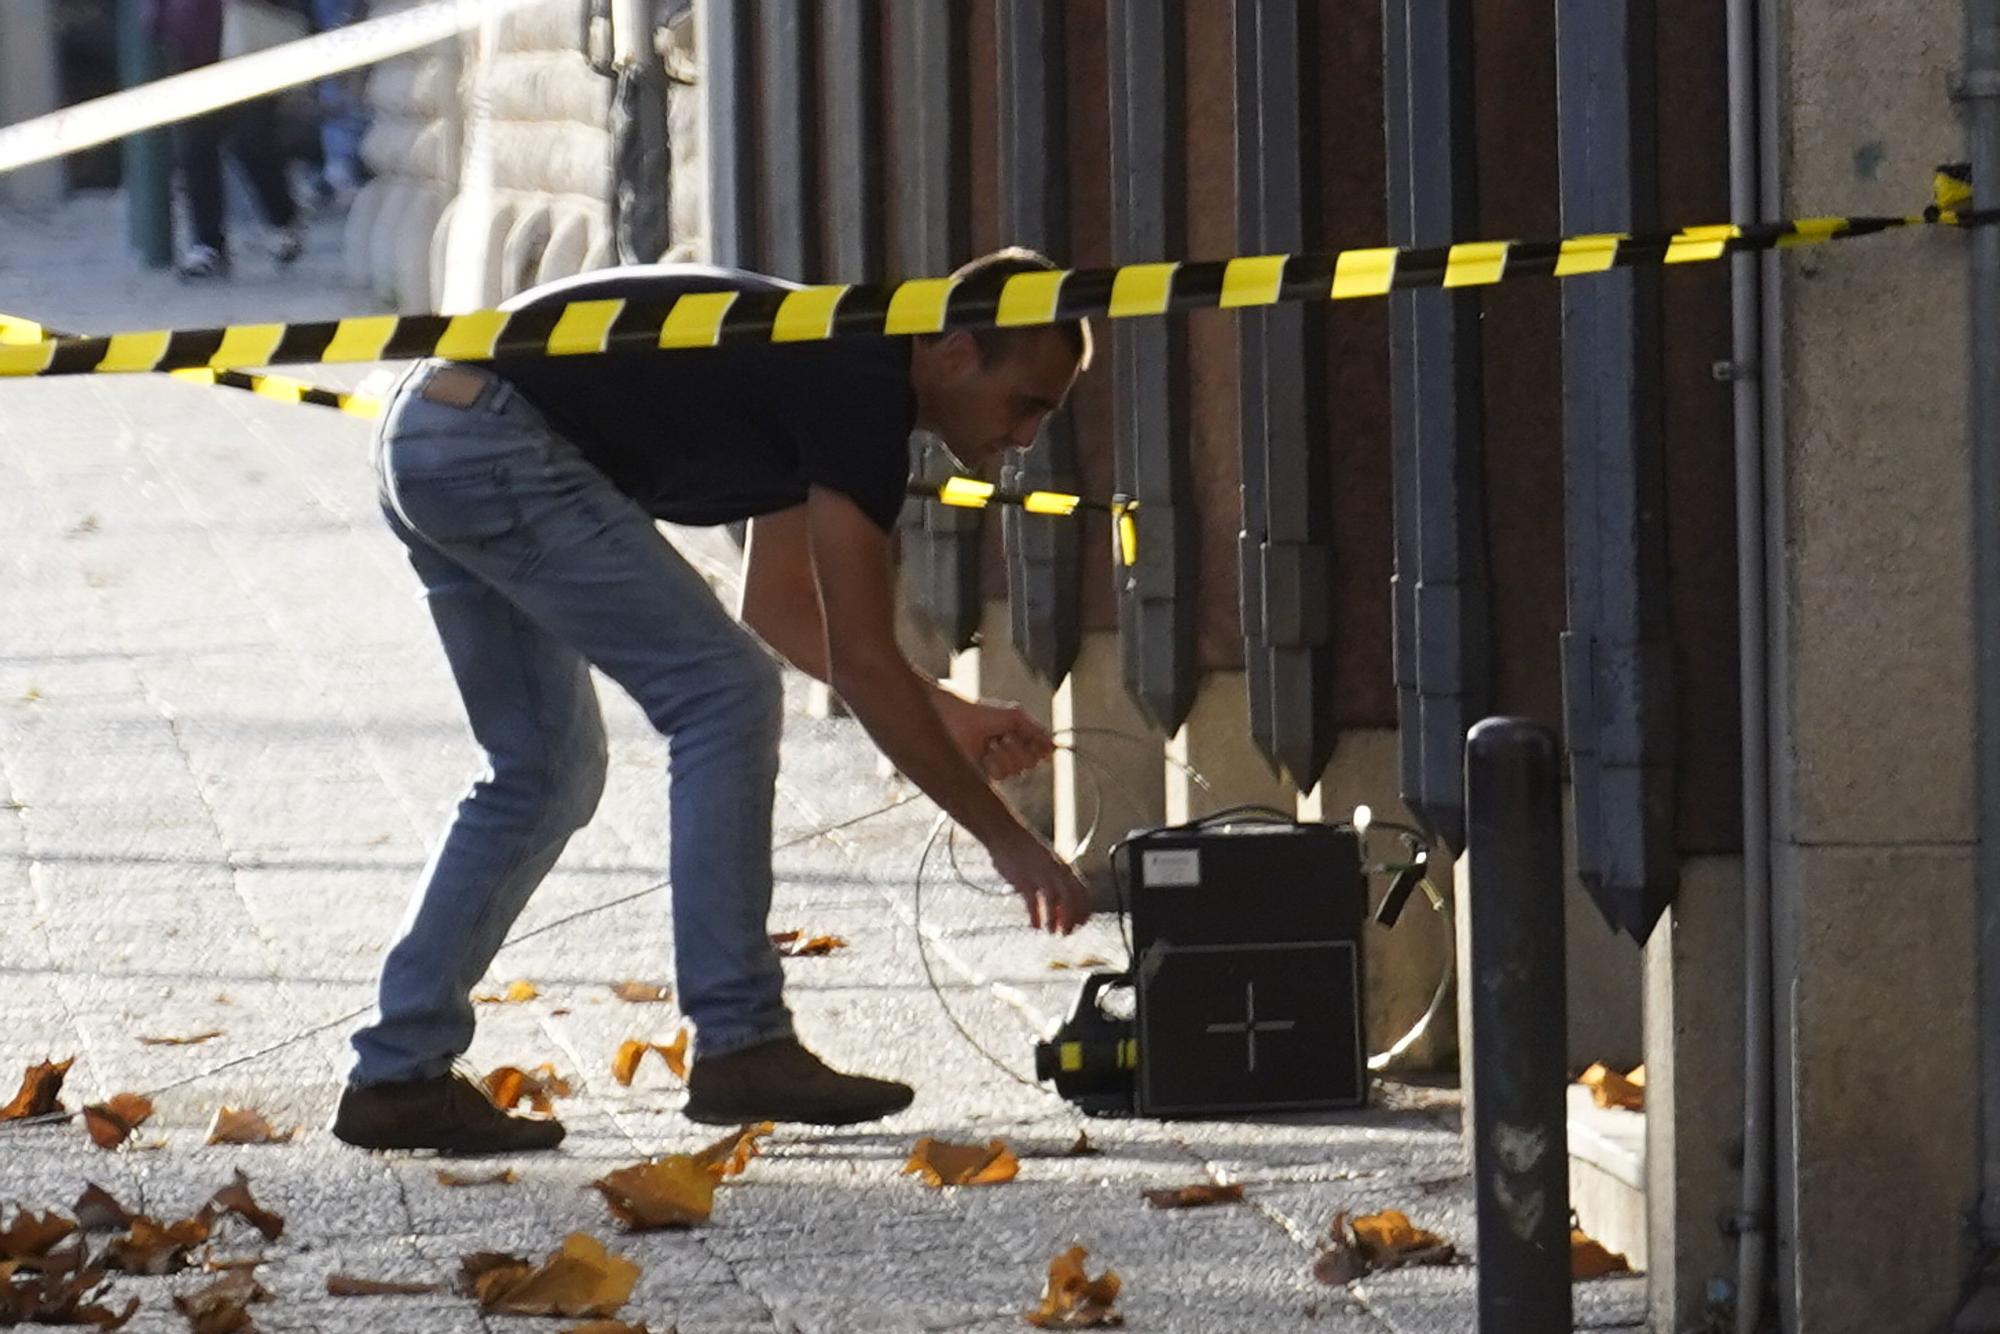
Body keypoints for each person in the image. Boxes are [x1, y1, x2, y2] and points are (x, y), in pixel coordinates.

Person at [332, 249, 1096, 1154]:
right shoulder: (859, 380)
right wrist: (1012, 844)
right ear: (958, 353)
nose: (1026, 440)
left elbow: (782, 612)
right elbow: (860, 658)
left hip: (431, 429)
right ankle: (741, 1040)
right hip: (494, 436)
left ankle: (398, 1078)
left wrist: (948, 714)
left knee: (545, 771)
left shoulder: (831, 358)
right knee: (725, 694)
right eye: (1028, 405)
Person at [147, 0, 307, 279]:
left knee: (253, 140)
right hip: (194, 35)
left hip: (242, 32)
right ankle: (208, 243)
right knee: (197, 146)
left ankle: (283, 217)